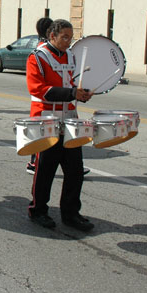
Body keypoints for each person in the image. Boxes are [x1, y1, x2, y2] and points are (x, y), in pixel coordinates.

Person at [26, 19, 94, 231]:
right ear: (52, 36)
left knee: (75, 170)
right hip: (46, 119)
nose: (68, 41)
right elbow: (38, 89)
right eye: (64, 37)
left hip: (69, 119)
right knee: (45, 170)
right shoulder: (37, 57)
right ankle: (38, 210)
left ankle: (71, 212)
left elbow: (70, 84)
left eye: (70, 37)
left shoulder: (70, 56)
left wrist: (80, 93)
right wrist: (71, 93)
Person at [26, 17, 54, 176]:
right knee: (40, 135)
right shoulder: (41, 51)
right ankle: (33, 163)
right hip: (43, 102)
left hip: (57, 104)